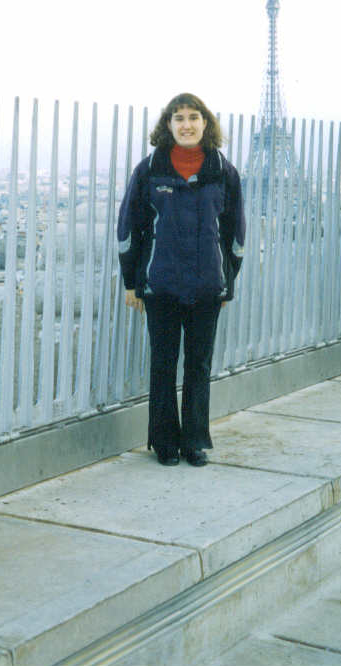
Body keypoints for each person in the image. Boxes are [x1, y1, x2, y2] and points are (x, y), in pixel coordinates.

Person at [117, 93, 246, 466]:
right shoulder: (149, 170)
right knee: (163, 363)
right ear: (168, 125)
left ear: (206, 124)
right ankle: (163, 442)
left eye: (193, 117)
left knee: (199, 365)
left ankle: (194, 441)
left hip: (207, 286)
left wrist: (227, 282)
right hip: (162, 285)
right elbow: (129, 229)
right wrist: (131, 282)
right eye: (178, 118)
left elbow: (235, 234)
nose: (186, 124)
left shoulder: (224, 171)